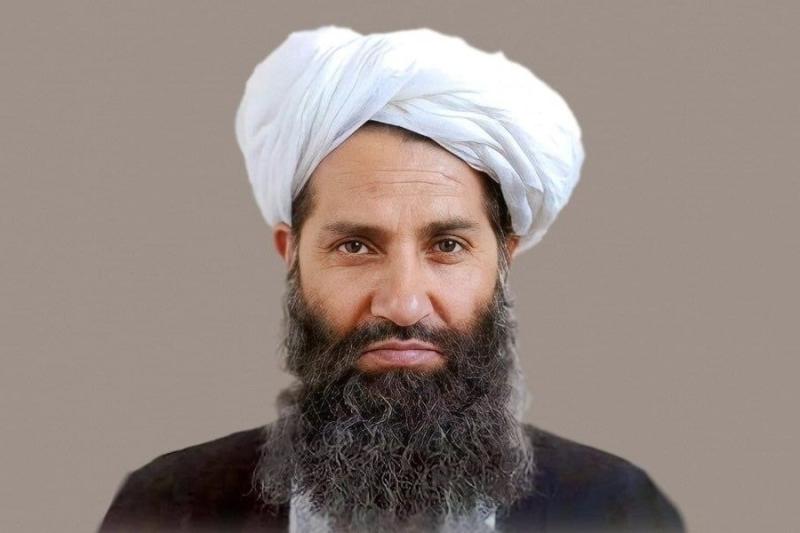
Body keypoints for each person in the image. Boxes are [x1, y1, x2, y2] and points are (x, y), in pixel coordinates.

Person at [99, 26, 685, 532]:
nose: (403, 304)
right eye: (355, 246)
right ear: (291, 254)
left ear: (504, 260)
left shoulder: (618, 509)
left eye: (447, 246)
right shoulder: (167, 507)